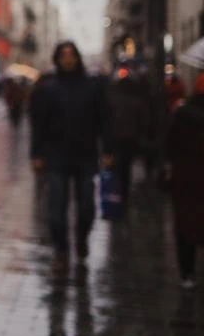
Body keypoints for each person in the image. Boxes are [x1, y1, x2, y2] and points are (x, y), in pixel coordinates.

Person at [30, 41, 113, 270]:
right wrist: (36, 153)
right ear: (58, 58)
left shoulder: (92, 86)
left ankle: (81, 238)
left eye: (71, 55)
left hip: (85, 156)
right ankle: (61, 249)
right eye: (63, 55)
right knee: (56, 209)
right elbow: (39, 123)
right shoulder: (48, 88)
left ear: (77, 57)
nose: (67, 59)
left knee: (87, 206)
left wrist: (107, 149)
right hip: (56, 156)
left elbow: (105, 119)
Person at [166, 72, 204, 288]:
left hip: (186, 177)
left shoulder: (183, 113)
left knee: (185, 224)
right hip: (190, 176)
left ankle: (187, 272)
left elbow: (170, 145)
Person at [107, 68, 150, 210]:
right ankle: (123, 193)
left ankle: (116, 193)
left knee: (116, 166)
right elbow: (143, 120)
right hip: (130, 138)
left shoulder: (112, 99)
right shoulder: (136, 100)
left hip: (115, 138)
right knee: (126, 166)